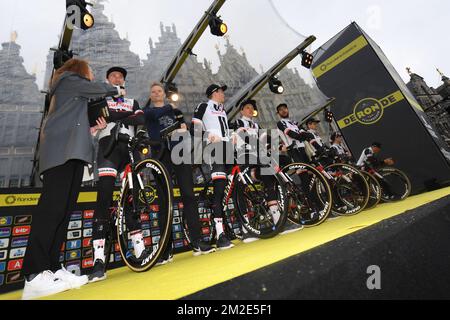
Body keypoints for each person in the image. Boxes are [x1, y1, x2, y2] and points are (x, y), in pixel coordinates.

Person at [21, 58, 123, 300]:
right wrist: (115, 88)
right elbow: (99, 88)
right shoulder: (68, 80)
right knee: (51, 210)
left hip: (74, 153)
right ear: (79, 71)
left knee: (64, 213)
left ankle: (52, 267)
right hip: (60, 153)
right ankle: (33, 274)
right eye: (88, 72)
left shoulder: (73, 95)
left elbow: (77, 122)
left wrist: (93, 130)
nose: (89, 76)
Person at [143, 82, 215, 264]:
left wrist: (181, 129)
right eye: (154, 92)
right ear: (151, 96)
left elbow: (184, 128)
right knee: (164, 199)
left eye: (160, 91)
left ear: (164, 93)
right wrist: (172, 117)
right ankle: (165, 249)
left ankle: (197, 241)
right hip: (161, 155)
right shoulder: (149, 112)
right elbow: (160, 117)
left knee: (189, 195)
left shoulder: (176, 111)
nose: (157, 93)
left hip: (179, 153)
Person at [88, 67, 147, 283]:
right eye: (113, 76)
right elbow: (93, 118)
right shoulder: (101, 98)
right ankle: (98, 259)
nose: (118, 78)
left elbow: (140, 118)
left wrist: (115, 115)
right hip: (108, 149)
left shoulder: (133, 101)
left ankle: (139, 249)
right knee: (103, 198)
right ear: (107, 80)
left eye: (121, 76)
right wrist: (124, 116)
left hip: (129, 149)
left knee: (133, 200)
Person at [191, 84, 234, 250]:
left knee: (233, 183)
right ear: (214, 93)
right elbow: (194, 126)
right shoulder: (204, 106)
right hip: (213, 147)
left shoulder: (223, 109)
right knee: (220, 187)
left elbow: (225, 128)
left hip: (227, 147)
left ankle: (231, 227)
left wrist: (233, 136)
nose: (223, 94)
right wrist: (208, 135)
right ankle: (220, 234)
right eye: (221, 91)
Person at [233, 99, 282, 243]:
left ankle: (277, 219)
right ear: (242, 110)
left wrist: (276, 146)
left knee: (269, 176)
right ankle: (245, 229)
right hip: (244, 158)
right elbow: (243, 136)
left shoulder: (256, 125)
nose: (250, 110)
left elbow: (265, 141)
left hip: (258, 159)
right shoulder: (238, 122)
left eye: (252, 108)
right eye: (247, 107)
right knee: (240, 189)